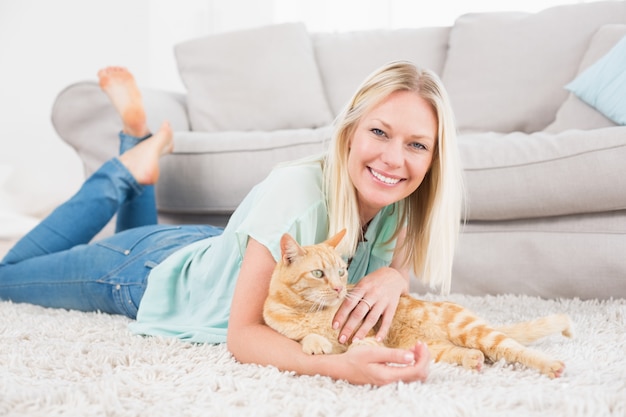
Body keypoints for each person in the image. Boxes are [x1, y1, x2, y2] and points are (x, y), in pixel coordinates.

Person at [0, 61, 463, 386]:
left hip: (212, 252)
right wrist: (340, 369)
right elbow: (242, 336)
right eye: (379, 132)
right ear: (350, 134)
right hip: (141, 272)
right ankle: (124, 172)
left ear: (433, 159)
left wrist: (393, 276)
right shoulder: (296, 194)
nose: (394, 159)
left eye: (417, 145)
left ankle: (136, 144)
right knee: (6, 276)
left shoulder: (399, 200)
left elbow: (390, 269)